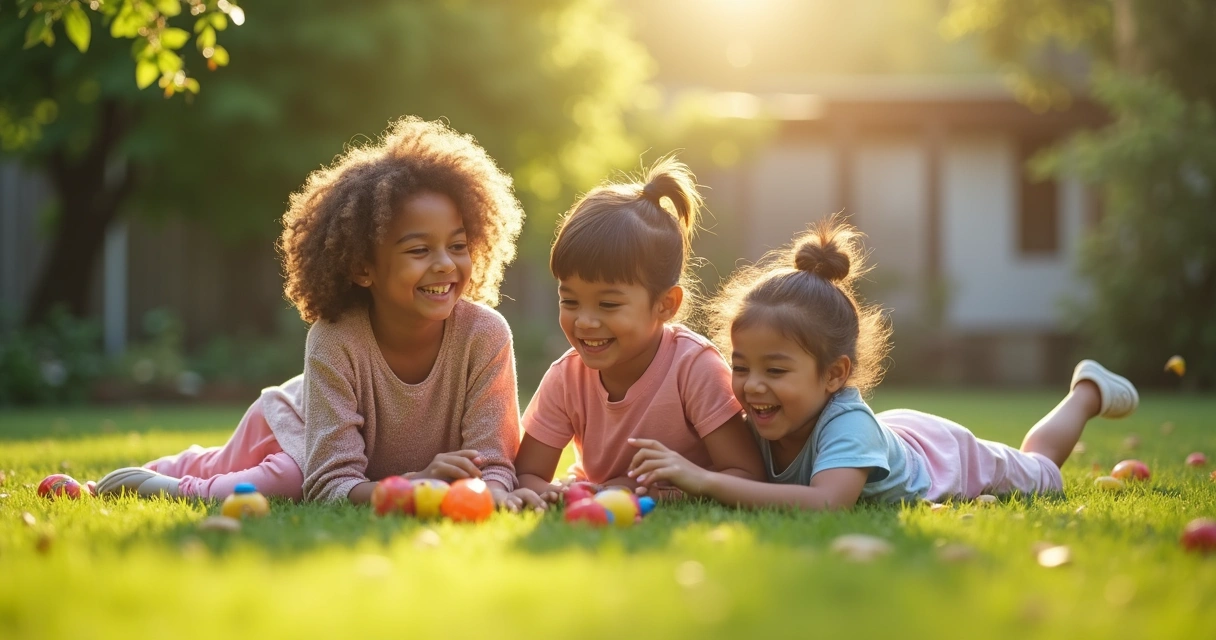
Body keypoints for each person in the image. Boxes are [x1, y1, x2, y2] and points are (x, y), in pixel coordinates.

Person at [97, 116, 539, 510]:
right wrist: (416, 486)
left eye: (458, 246)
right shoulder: (336, 337)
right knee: (282, 477)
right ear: (363, 268)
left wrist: (491, 496)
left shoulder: (485, 335)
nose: (445, 263)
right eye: (420, 250)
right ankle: (165, 484)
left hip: (366, 469)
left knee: (289, 479)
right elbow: (329, 485)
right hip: (294, 425)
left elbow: (495, 464)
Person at [627, 215, 1138, 509]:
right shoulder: (759, 418)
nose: (753, 386)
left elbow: (829, 502)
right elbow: (733, 474)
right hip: (889, 435)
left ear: (834, 374)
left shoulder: (845, 423)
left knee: (1042, 468)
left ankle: (1085, 392)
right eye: (742, 367)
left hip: (944, 456)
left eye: (775, 370)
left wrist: (706, 481)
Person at [513, 156, 764, 506]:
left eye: (608, 305)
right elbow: (527, 475)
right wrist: (556, 495)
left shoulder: (694, 367)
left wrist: (657, 491)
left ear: (666, 304)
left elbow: (746, 474)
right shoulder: (567, 377)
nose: (584, 321)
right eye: (570, 301)